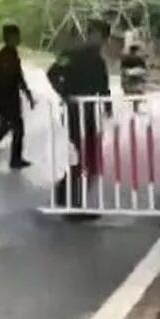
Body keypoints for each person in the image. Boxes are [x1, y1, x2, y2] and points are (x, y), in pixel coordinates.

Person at [47, 18, 111, 212]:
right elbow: (52, 73)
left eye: (102, 37)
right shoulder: (72, 54)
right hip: (75, 111)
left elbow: (104, 88)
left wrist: (108, 108)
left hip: (90, 113)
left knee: (89, 157)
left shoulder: (99, 61)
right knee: (81, 156)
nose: (98, 40)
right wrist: (64, 93)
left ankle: (68, 195)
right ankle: (72, 200)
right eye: (95, 35)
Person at [0, 23, 34, 169]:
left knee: (8, 127)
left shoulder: (11, 54)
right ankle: (11, 157)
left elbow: (18, 76)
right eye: (16, 36)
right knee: (16, 127)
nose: (19, 38)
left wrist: (27, 93)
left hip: (8, 96)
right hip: (6, 97)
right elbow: (9, 78)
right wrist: (22, 94)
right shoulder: (4, 56)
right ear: (9, 37)